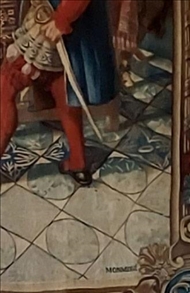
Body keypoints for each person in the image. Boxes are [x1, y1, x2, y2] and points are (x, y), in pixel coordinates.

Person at [0, 0, 117, 186]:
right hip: (57, 24)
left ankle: (78, 163)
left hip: (57, 27)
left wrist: (61, 19)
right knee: (64, 93)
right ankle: (78, 164)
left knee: (6, 84)